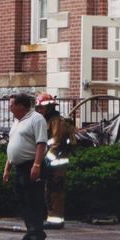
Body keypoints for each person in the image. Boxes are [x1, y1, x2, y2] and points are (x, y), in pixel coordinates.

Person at [3, 93, 48, 240]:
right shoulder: (16, 122)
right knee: (22, 200)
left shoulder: (36, 119)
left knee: (33, 200)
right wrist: (7, 168)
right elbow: (12, 145)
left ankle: (37, 233)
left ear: (21, 106)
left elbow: (41, 143)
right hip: (18, 167)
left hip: (31, 165)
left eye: (12, 105)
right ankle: (31, 230)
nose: (10, 108)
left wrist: (37, 165)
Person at [35, 93, 75, 230]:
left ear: (50, 107)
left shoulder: (57, 121)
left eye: (42, 108)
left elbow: (56, 143)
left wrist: (46, 159)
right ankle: (51, 218)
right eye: (38, 108)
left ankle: (56, 221)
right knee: (49, 190)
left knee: (56, 191)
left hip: (57, 163)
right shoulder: (48, 120)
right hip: (51, 162)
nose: (40, 111)